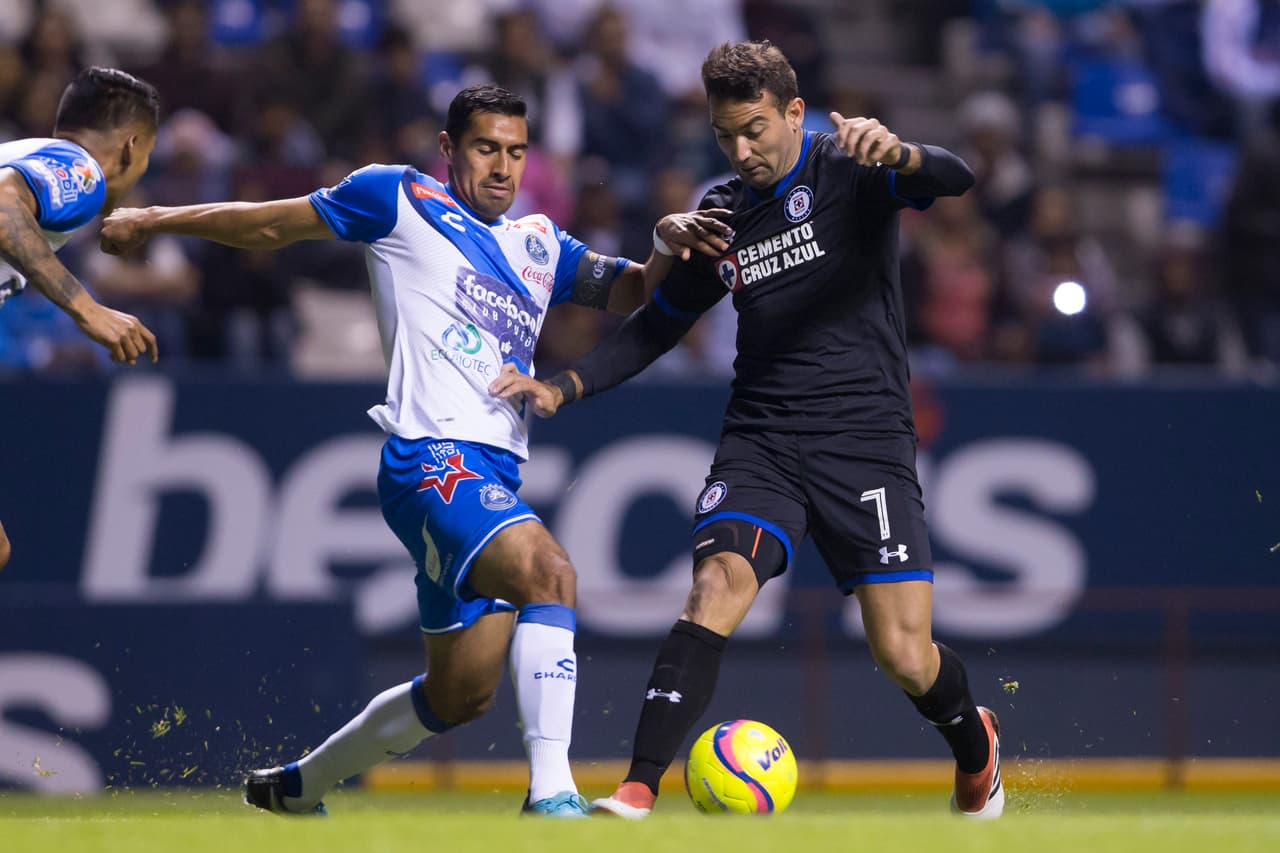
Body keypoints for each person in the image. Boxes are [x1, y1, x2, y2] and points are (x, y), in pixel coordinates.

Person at [100, 83, 733, 818]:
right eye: (485, 148)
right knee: (551, 575)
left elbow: (630, 293)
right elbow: (270, 227)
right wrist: (154, 217)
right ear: (447, 149)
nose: (502, 167)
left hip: (490, 471)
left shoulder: (537, 243)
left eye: (516, 152)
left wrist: (662, 241)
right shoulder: (397, 198)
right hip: (432, 460)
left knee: (459, 693)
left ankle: (301, 784)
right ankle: (552, 792)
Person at [489, 41, 1003, 820]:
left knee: (903, 654)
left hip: (865, 442)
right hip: (762, 436)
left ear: (795, 112)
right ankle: (637, 785)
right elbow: (655, 324)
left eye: (756, 129)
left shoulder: (852, 168)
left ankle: (976, 744)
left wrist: (902, 149)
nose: (742, 150)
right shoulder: (721, 215)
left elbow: (956, 177)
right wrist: (567, 383)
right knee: (716, 586)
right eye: (727, 135)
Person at [0, 66, 162, 575]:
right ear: (133, 146)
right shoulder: (82, 171)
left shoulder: (28, 153)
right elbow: (3, 208)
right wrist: (87, 309)